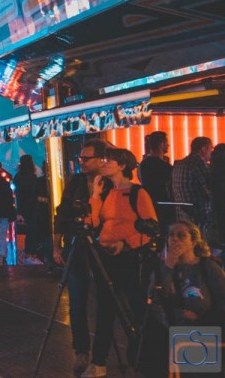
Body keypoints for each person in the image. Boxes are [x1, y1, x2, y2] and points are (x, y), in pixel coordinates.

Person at [81, 147, 158, 378]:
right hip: (105, 256)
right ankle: (99, 361)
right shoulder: (107, 192)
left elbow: (151, 226)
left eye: (108, 161)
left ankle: (147, 358)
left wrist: (126, 243)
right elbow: (95, 223)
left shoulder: (137, 193)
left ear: (122, 165)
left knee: (135, 306)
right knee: (105, 307)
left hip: (129, 258)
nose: (103, 164)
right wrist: (95, 194)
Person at [53, 138, 108, 375]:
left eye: (87, 159)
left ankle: (100, 356)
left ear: (100, 160)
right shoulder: (75, 182)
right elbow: (62, 213)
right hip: (77, 247)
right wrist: (56, 245)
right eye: (81, 158)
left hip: (104, 248)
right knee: (77, 301)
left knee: (107, 302)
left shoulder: (109, 184)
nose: (82, 163)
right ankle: (81, 352)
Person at [142, 219, 225, 374]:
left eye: (181, 236)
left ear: (193, 242)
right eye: (171, 235)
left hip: (201, 332)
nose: (174, 239)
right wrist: (168, 267)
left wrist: (204, 318)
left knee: (195, 372)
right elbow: (155, 298)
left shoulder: (207, 267)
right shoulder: (162, 268)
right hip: (171, 332)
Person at [172, 137, 214, 230]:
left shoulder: (179, 164)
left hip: (182, 216)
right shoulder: (198, 163)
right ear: (203, 149)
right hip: (200, 217)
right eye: (211, 148)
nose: (211, 152)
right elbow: (208, 191)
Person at [139, 131, 174, 233]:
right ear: (160, 145)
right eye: (166, 142)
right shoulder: (161, 165)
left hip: (150, 203)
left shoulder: (144, 163)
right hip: (163, 205)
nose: (168, 145)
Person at [14, 155, 39, 262]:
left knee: (27, 229)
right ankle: (32, 253)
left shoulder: (18, 177)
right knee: (32, 229)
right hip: (33, 206)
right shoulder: (33, 177)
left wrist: (18, 211)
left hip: (22, 206)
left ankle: (27, 253)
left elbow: (17, 194)